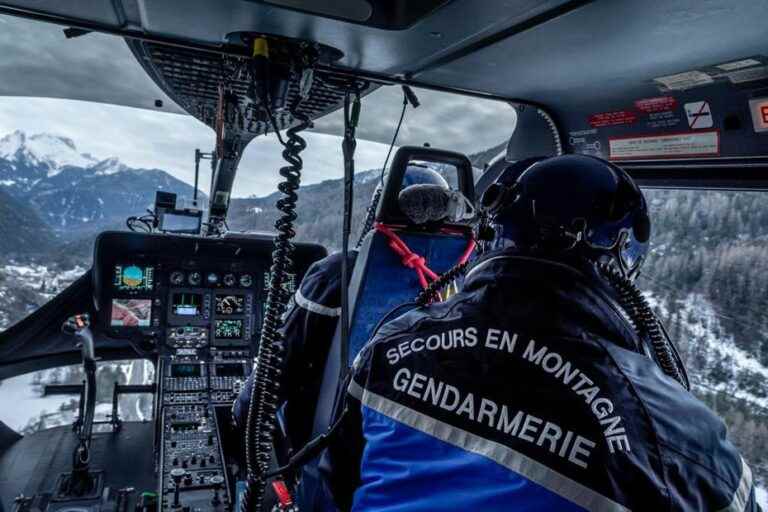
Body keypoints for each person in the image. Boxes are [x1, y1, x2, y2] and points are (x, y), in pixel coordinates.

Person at [322, 155, 758, 511]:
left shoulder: (391, 344)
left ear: (493, 235)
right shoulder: (679, 435)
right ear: (624, 261)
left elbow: (333, 483)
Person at [233, 164, 452, 451]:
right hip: (409, 440)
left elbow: (282, 363)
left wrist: (241, 414)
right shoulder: (455, 277)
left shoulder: (337, 272)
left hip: (327, 443)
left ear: (378, 209)